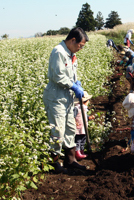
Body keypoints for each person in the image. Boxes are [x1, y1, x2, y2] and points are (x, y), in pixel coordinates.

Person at [43, 27, 88, 173]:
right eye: (80, 45)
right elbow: (58, 76)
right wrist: (73, 86)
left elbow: (71, 74)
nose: (80, 49)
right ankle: (53, 164)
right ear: (72, 40)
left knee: (70, 128)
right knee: (57, 131)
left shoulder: (70, 54)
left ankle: (70, 160)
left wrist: (76, 82)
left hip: (67, 97)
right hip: (56, 97)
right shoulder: (59, 52)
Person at [73, 91, 94, 160]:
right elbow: (73, 116)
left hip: (83, 128)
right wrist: (74, 121)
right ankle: (77, 152)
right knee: (78, 140)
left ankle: (81, 151)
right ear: (86, 101)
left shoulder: (84, 109)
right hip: (78, 128)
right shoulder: (77, 108)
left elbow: (84, 116)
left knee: (83, 140)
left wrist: (89, 117)